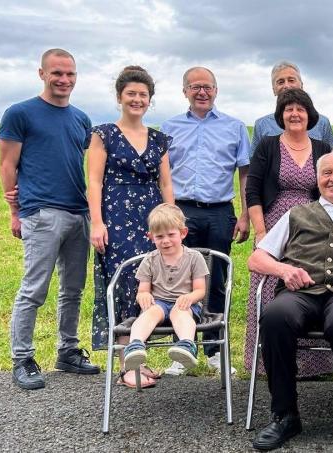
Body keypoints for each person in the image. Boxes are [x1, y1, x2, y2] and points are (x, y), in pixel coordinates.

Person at [249, 151, 333, 452]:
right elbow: (256, 258)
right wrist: (284, 269)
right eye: (327, 173)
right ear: (317, 178)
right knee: (275, 317)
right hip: (300, 293)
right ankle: (285, 414)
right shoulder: (296, 214)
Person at [0, 48, 99, 390]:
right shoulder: (20, 114)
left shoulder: (81, 119)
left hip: (78, 212)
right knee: (34, 289)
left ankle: (68, 350)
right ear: (42, 74)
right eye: (57, 73)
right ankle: (22, 357)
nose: (64, 80)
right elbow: (7, 165)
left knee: (73, 289)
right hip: (41, 213)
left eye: (70, 74)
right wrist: (15, 212)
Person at [88, 66, 174, 388]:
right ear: (120, 97)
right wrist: (97, 222)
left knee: (149, 284)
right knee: (125, 281)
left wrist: (173, 221)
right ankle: (127, 365)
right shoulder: (103, 134)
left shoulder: (159, 139)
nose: (137, 99)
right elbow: (94, 181)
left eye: (143, 95)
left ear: (150, 100)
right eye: (131, 94)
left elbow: (166, 184)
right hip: (116, 216)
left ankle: (141, 359)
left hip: (152, 218)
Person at [161, 66, 250, 375]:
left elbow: (244, 175)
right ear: (184, 90)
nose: (202, 92)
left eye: (208, 87)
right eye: (195, 87)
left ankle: (215, 349)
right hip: (182, 211)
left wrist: (246, 215)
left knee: (216, 280)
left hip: (220, 212)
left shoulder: (235, 127)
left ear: (216, 90)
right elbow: (163, 175)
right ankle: (181, 350)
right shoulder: (169, 127)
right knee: (179, 279)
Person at [245, 88, 333, 376]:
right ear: (281, 115)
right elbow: (253, 190)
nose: (294, 114)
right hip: (273, 221)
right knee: (271, 283)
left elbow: (331, 190)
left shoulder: (322, 148)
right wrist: (260, 231)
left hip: (312, 224)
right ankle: (268, 362)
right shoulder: (269, 145)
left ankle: (313, 366)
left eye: (300, 109)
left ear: (310, 114)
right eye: (288, 109)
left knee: (308, 283)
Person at [122, 204, 209, 379]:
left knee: (180, 312)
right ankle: (135, 346)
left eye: (171, 235)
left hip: (185, 304)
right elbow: (143, 291)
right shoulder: (150, 260)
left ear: (183, 233)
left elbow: (200, 290)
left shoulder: (194, 258)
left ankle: (186, 345)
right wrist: (144, 296)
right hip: (159, 303)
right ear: (151, 237)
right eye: (159, 236)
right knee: (148, 314)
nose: (165, 240)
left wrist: (190, 297)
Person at [251, 61, 333, 156]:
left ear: (301, 85)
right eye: (280, 82)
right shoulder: (262, 125)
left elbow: (332, 159)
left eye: (291, 80)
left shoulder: (322, 123)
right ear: (274, 90)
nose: (286, 86)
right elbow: (254, 164)